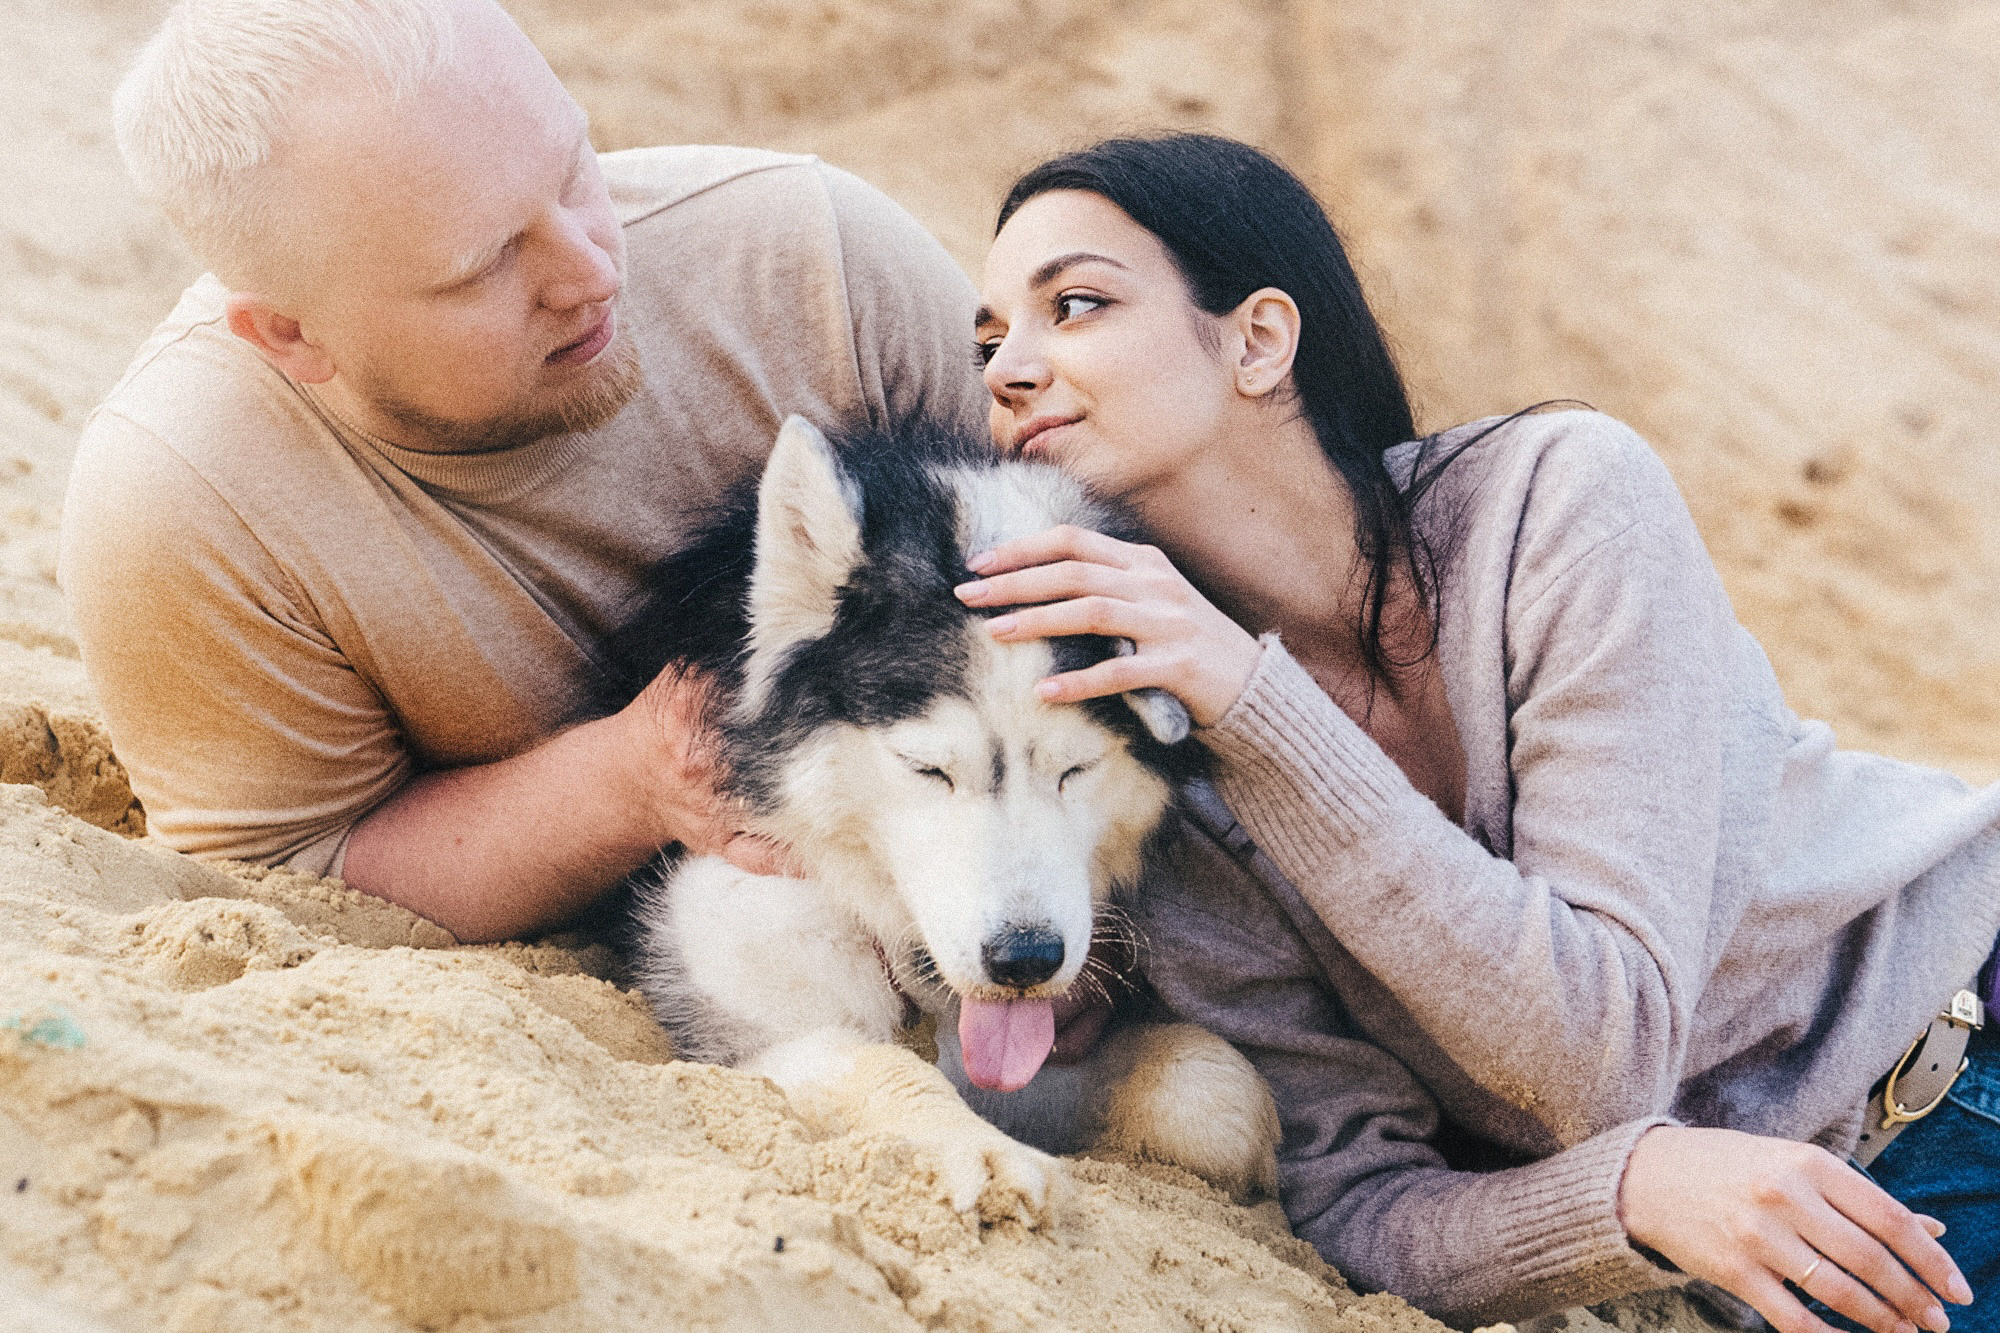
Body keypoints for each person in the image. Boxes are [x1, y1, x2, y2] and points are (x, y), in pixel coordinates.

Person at [960, 133, 1999, 1332]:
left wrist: (1261, 707)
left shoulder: (1552, 504)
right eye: (987, 339)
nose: (1007, 369)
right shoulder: (1150, 767)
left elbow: (1601, 1050)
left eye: (1072, 306)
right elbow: (1357, 1199)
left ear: (1256, 341)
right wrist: (1622, 1197)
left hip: (1959, 1025)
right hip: (1807, 1249)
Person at [59, 0, 986, 943]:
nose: (592, 271)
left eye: (575, 169)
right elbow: (296, 881)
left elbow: (1109, 525)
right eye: (486, 263)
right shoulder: (182, 502)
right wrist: (632, 780)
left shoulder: (815, 257)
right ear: (293, 335)